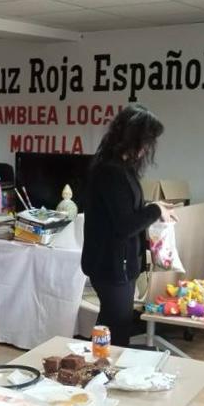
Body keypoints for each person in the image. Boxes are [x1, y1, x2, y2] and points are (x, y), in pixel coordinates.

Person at [81, 103, 177, 347]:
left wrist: (156, 209)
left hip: (120, 265)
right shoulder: (110, 172)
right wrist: (155, 210)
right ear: (134, 139)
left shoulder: (122, 170)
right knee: (117, 329)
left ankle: (100, 371)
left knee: (111, 325)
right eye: (147, 141)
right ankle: (107, 375)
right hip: (110, 266)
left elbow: (128, 213)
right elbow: (125, 225)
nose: (147, 149)